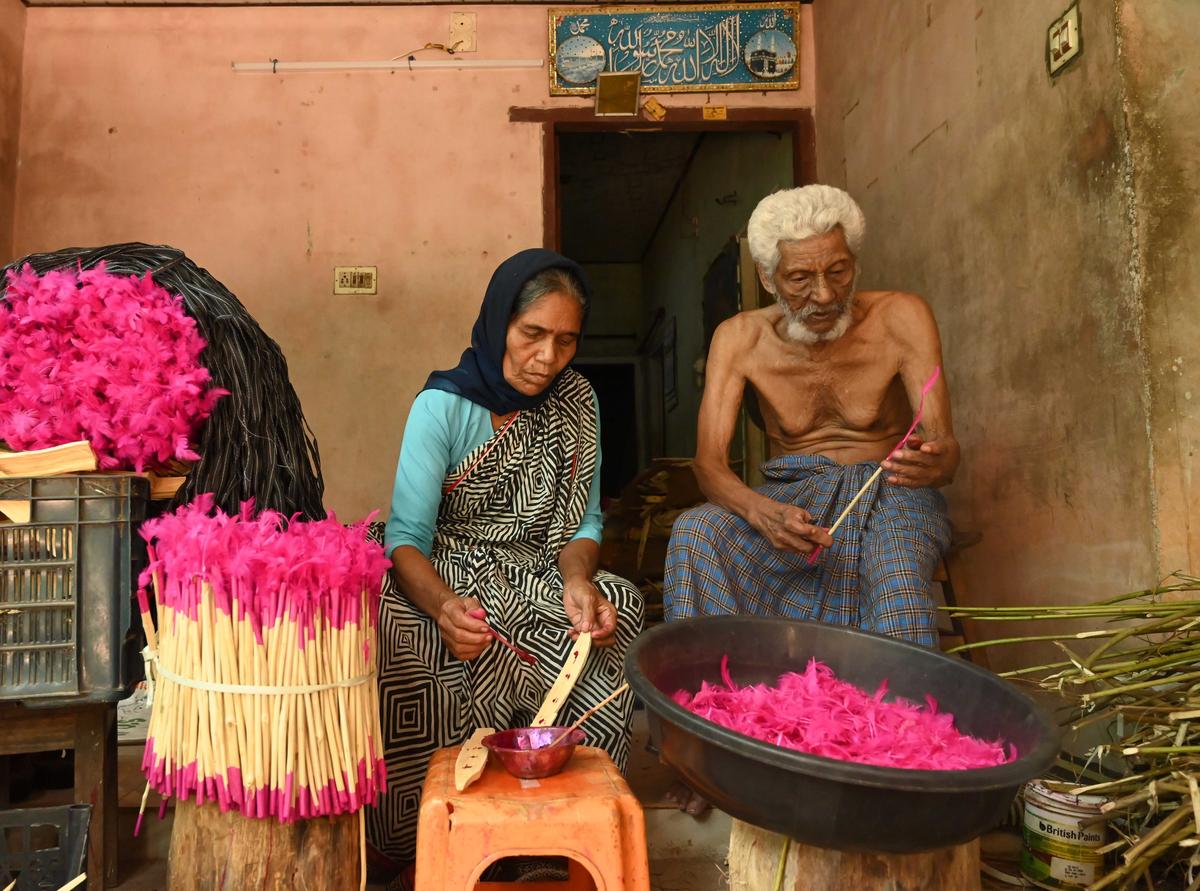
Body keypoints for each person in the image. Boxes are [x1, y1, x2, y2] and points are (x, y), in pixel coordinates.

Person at [367, 249, 645, 875]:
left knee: (616, 606)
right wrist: (442, 608)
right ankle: (429, 837)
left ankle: (560, 834)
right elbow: (406, 536)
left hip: (538, 566)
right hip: (443, 565)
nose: (548, 358)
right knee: (395, 623)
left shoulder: (579, 404)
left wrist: (578, 579)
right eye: (532, 335)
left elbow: (585, 523)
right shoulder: (441, 406)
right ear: (499, 324)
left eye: (567, 341)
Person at [664, 184, 958, 648]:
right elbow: (709, 465)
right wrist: (763, 514)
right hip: (791, 493)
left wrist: (937, 460)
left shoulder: (902, 316)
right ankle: (726, 706)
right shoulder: (740, 339)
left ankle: (899, 717)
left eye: (838, 271)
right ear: (767, 277)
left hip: (891, 494)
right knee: (696, 531)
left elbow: (946, 452)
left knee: (894, 565)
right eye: (800, 278)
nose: (824, 295)